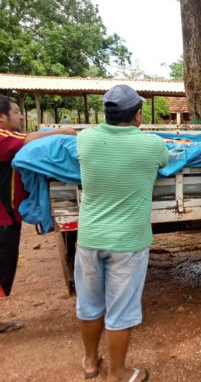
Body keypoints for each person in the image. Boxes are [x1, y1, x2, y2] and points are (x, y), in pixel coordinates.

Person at [75, 85, 168, 381]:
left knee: (89, 304)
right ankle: (118, 372)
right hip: (128, 242)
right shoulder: (152, 145)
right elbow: (166, 162)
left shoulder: (85, 139)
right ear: (138, 114)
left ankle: (90, 362)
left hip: (89, 238)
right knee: (121, 309)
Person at [0, 95, 76, 333]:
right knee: (2, 264)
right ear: (1, 117)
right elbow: (28, 139)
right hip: (2, 218)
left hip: (6, 216)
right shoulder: (3, 137)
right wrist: (65, 131)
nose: (21, 115)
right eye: (16, 111)